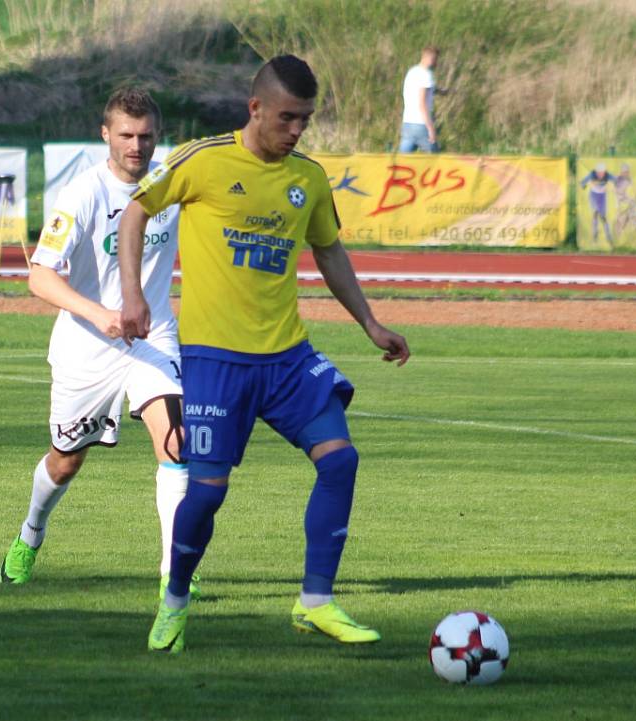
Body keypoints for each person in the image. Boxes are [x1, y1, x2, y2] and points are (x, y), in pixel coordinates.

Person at [118, 55, 410, 654]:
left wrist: (370, 323)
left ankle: (316, 602)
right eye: (287, 118)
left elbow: (328, 251)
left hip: (286, 358)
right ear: (256, 109)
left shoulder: (309, 178)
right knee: (206, 493)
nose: (297, 130)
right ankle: (174, 601)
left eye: (305, 119)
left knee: (340, 459)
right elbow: (136, 211)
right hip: (216, 361)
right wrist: (131, 295)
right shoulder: (202, 160)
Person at [0, 87, 199, 600]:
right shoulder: (84, 193)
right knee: (66, 460)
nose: (137, 145)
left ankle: (173, 575)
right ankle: (30, 534)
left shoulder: (170, 186)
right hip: (87, 348)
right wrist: (100, 315)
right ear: (105, 134)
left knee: (176, 444)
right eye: (127, 135)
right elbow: (40, 278)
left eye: (147, 136)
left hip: (153, 340)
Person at [399, 46, 446, 153]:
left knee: (403, 161)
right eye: (436, 60)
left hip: (407, 123)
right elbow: (422, 103)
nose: (436, 63)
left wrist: (441, 91)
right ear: (431, 58)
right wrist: (430, 128)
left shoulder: (412, 72)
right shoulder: (426, 75)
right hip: (421, 124)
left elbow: (425, 89)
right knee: (436, 160)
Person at [580, 163, 616, 246]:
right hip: (593, 195)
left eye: (602, 172)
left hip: (602, 196)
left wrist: (617, 184)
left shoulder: (607, 175)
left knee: (603, 217)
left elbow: (616, 180)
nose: (600, 174)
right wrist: (583, 185)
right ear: (596, 172)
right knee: (595, 213)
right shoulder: (592, 175)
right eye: (598, 173)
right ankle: (595, 236)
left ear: (604, 172)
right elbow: (583, 181)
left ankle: (609, 237)